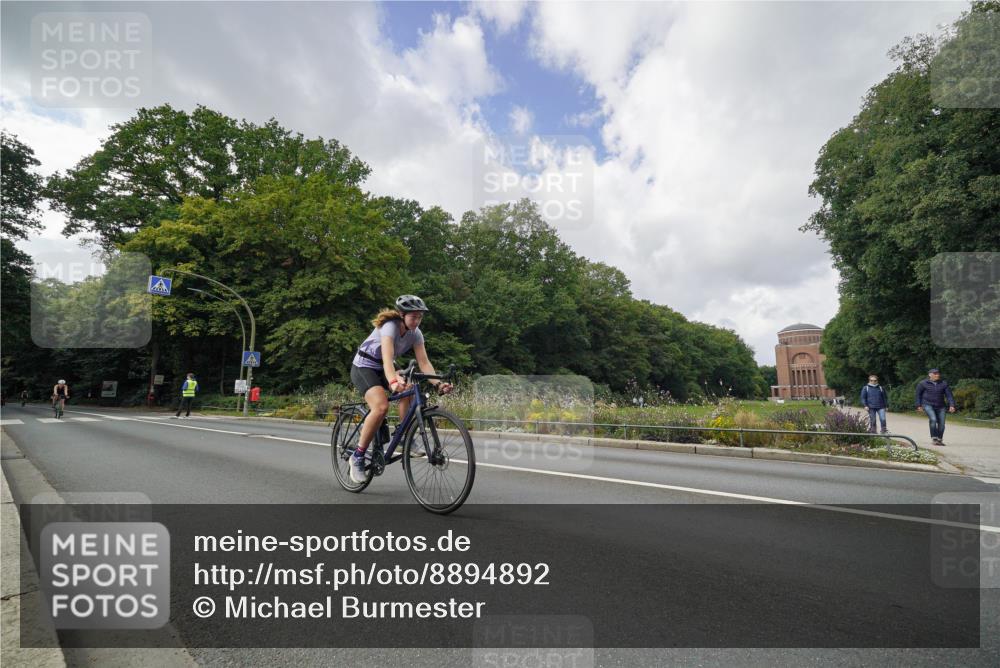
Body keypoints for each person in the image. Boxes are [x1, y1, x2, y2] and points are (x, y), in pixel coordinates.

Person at [348, 295, 453, 483]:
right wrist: (393, 381)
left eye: (420, 317)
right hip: (365, 366)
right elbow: (387, 358)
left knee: (410, 389)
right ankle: (357, 456)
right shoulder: (390, 327)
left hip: (384, 367)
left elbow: (424, 362)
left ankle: (403, 436)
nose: (417, 321)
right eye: (413, 317)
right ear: (401, 315)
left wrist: (438, 383)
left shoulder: (416, 333)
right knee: (380, 407)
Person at [916, 368, 956, 446]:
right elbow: (918, 395)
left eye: (938, 374)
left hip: (941, 406)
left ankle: (939, 439)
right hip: (928, 404)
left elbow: (949, 395)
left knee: (942, 424)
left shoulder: (944, 383)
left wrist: (952, 405)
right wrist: (918, 405)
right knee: (933, 419)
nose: (937, 375)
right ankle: (934, 438)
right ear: (930, 375)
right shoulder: (923, 383)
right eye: (935, 374)